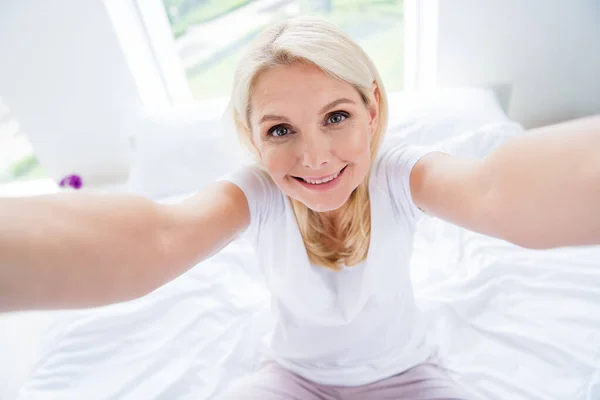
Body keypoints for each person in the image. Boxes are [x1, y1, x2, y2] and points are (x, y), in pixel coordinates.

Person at [1, 16, 599, 400]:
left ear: (371, 110)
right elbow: (158, 237)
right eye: (281, 129)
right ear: (252, 136)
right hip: (291, 378)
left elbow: (496, 192)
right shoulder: (258, 192)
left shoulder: (398, 173)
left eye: (335, 117)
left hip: (408, 376)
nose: (313, 157)